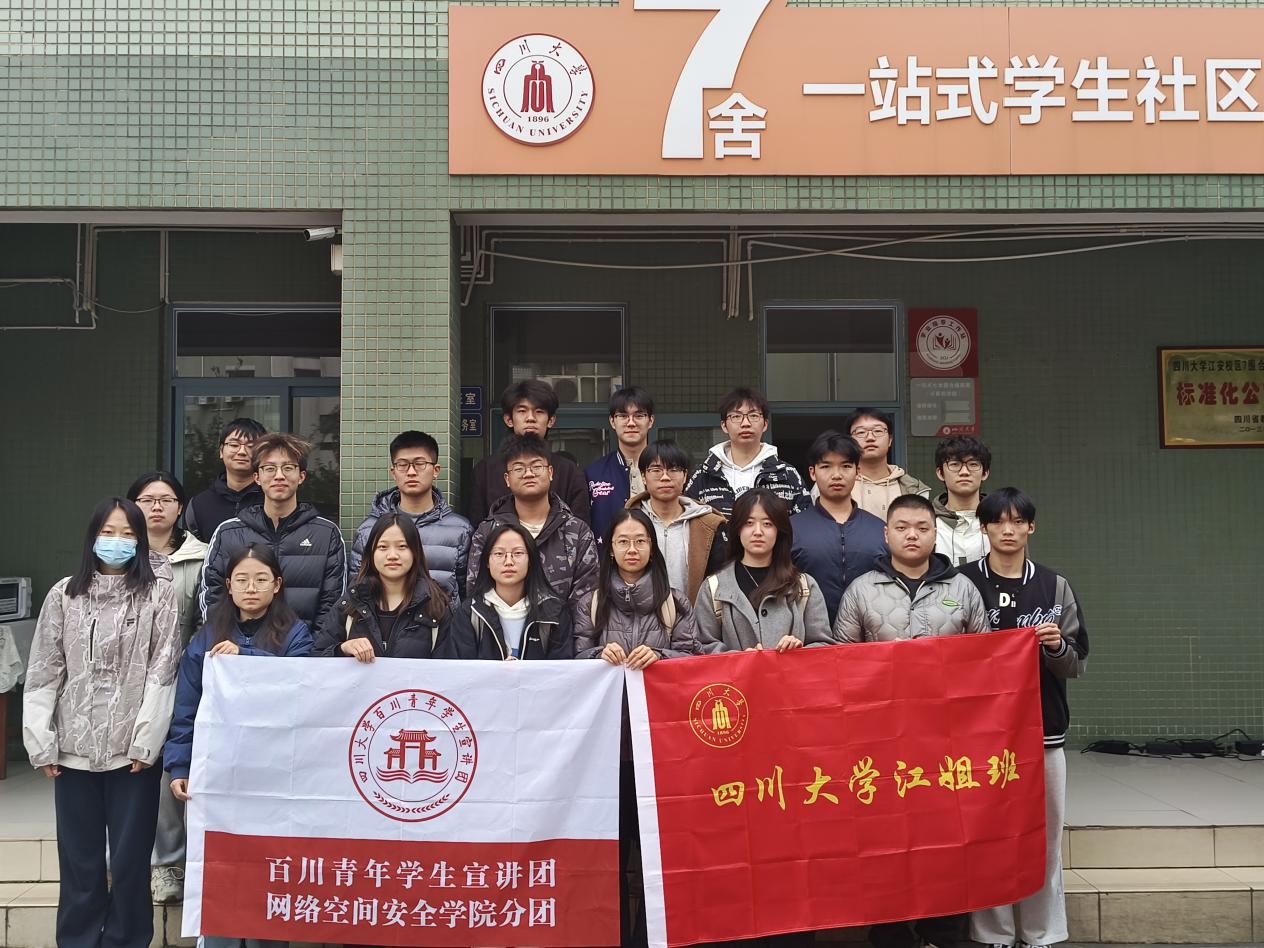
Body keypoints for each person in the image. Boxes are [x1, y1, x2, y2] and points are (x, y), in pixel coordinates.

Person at [23, 497, 180, 948]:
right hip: (72, 751)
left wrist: (147, 741)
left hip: (132, 755)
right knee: (80, 861)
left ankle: (127, 939)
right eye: (108, 532)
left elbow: (163, 668)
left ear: (141, 541)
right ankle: (78, 939)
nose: (117, 541)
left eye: (128, 534)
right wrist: (40, 741)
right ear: (92, 536)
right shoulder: (64, 594)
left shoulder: (157, 594)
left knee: (130, 862)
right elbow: (44, 669)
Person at [165, 543, 310, 948]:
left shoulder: (295, 632)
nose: (251, 587)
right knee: (222, 867)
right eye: (242, 580)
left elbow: (300, 687)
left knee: (270, 867)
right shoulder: (208, 636)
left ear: (277, 585)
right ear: (228, 585)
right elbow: (187, 707)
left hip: (274, 774)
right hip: (219, 772)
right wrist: (179, 766)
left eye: (261, 579)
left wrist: (244, 655)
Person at [962, 488, 1089, 948]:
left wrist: (1055, 647)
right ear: (984, 528)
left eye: (1018, 521)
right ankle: (992, 933)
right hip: (980, 736)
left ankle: (1041, 932)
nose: (1009, 530)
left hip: (1043, 732)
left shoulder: (1055, 586)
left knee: (1045, 839)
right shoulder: (963, 584)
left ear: (1031, 527)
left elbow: (1077, 662)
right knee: (986, 836)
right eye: (998, 521)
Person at [574, 508, 703, 948]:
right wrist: (597, 657)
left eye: (640, 541)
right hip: (606, 754)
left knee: (656, 854)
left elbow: (694, 660)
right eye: (623, 541)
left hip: (661, 753)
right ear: (610, 549)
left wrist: (661, 657)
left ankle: (650, 938)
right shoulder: (590, 601)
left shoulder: (674, 602)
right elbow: (572, 661)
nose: (632, 549)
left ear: (653, 547)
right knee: (610, 852)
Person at [125, 471, 209, 904]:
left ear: (180, 508)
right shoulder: (117, 556)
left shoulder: (202, 557)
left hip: (179, 679)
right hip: (121, 683)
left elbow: (207, 620)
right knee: (123, 770)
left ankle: (168, 864)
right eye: (146, 500)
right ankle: (124, 857)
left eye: (166, 499)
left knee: (166, 773)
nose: (156, 507)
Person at [201, 433, 346, 632]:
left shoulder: (326, 534)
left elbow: (333, 604)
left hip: (305, 649)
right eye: (269, 468)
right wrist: (236, 644)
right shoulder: (228, 533)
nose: (279, 476)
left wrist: (309, 648)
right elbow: (213, 597)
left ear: (301, 476)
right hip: (238, 649)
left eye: (288, 468)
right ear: (257, 477)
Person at [466, 435, 599, 627]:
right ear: (507, 479)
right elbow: (476, 592)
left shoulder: (577, 531)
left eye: (536, 466)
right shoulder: (487, 532)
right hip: (498, 638)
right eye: (519, 468)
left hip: (560, 639)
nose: (528, 474)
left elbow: (586, 599)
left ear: (550, 472)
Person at [829, 494, 988, 644]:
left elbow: (983, 651)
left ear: (935, 535)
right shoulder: (861, 590)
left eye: (922, 529)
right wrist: (888, 655)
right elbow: (843, 655)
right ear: (886, 534)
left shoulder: (963, 588)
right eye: (901, 528)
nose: (912, 535)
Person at [695, 488, 830, 653]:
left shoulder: (804, 586)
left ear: (779, 531)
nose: (758, 532)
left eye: (767, 524)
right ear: (737, 529)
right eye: (749, 523)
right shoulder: (713, 588)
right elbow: (702, 647)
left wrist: (798, 651)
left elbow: (824, 646)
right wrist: (740, 659)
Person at [347, 430, 472, 601]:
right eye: (403, 464)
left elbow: (467, 593)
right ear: (393, 472)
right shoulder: (368, 530)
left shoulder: (460, 530)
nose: (411, 472)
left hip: (442, 618)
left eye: (420, 464)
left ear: (436, 470)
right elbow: (357, 592)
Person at [314, 514, 455, 661]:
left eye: (402, 546)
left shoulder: (436, 606)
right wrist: (342, 649)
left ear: (415, 552)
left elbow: (450, 667)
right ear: (371, 553)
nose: (392, 555)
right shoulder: (351, 603)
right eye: (382, 547)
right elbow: (317, 658)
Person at [790, 431, 887, 626]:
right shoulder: (791, 528)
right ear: (812, 472)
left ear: (858, 472)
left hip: (870, 636)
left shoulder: (880, 529)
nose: (836, 475)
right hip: (807, 636)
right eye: (826, 466)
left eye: (846, 466)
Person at [467, 380, 592, 526]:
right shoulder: (485, 470)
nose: (530, 418)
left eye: (539, 411)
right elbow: (477, 526)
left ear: (551, 420)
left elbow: (580, 528)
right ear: (508, 420)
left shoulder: (569, 472)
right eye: (522, 411)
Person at [442, 523, 574, 661]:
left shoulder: (553, 612)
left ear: (530, 560)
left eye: (518, 553)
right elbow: (460, 669)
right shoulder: (470, 613)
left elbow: (561, 670)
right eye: (499, 554)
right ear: (487, 561)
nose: (509, 562)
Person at [626, 439, 727, 603]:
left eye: (673, 470)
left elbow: (719, 582)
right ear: (643, 476)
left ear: (685, 476)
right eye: (656, 470)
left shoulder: (709, 525)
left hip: (695, 616)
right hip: (638, 616)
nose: (665, 477)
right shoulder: (627, 523)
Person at [685, 387, 810, 517]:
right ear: (724, 425)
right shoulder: (704, 475)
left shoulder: (787, 474)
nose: (745, 423)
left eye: (753, 416)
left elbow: (804, 522)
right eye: (736, 416)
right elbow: (687, 521)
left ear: (765, 424)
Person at [587, 386, 656, 542]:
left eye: (639, 415)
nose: (631, 423)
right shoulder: (593, 473)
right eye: (623, 416)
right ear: (612, 421)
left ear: (651, 421)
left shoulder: (667, 471)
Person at [183, 417, 267, 543]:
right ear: (221, 451)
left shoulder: (273, 500)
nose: (242, 452)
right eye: (234, 445)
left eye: (251, 446)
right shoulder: (199, 505)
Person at [843, 408, 931, 519]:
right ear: (850, 442)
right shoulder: (836, 484)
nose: (870, 438)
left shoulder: (913, 489)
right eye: (861, 432)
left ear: (890, 440)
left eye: (878, 431)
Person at [932, 435, 992, 567]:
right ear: (940, 473)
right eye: (955, 464)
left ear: (985, 473)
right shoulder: (927, 521)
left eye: (973, 464)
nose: (964, 472)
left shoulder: (1000, 518)